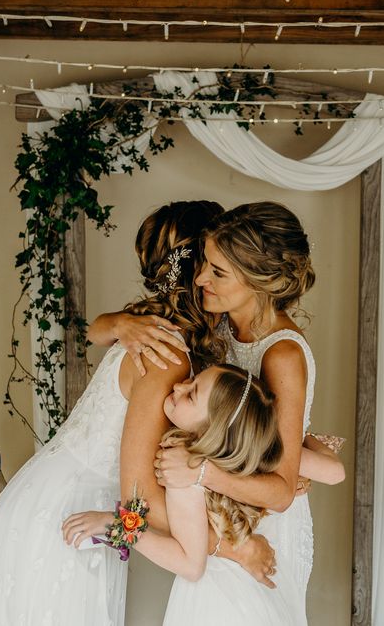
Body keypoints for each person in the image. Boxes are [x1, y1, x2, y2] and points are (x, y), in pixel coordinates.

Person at [0, 201, 275, 626]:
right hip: (68, 517)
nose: (220, 273)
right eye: (217, 262)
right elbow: (141, 498)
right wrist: (233, 546)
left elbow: (98, 328)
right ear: (196, 269)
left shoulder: (157, 330)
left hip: (71, 506)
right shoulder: (167, 354)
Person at [91, 202, 335, 619]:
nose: (200, 278)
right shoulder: (215, 322)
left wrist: (202, 472)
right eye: (205, 264)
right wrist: (118, 324)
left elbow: (279, 491)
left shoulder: (282, 356)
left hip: (257, 521)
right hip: (217, 509)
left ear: (261, 280)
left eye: (217, 271)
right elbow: (96, 330)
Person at [64, 364, 307, 625]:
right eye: (192, 379)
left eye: (191, 394)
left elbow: (190, 566)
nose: (179, 386)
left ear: (210, 430)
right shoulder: (223, 461)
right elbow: (332, 471)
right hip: (242, 592)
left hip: (218, 603)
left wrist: (116, 525)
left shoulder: (182, 469)